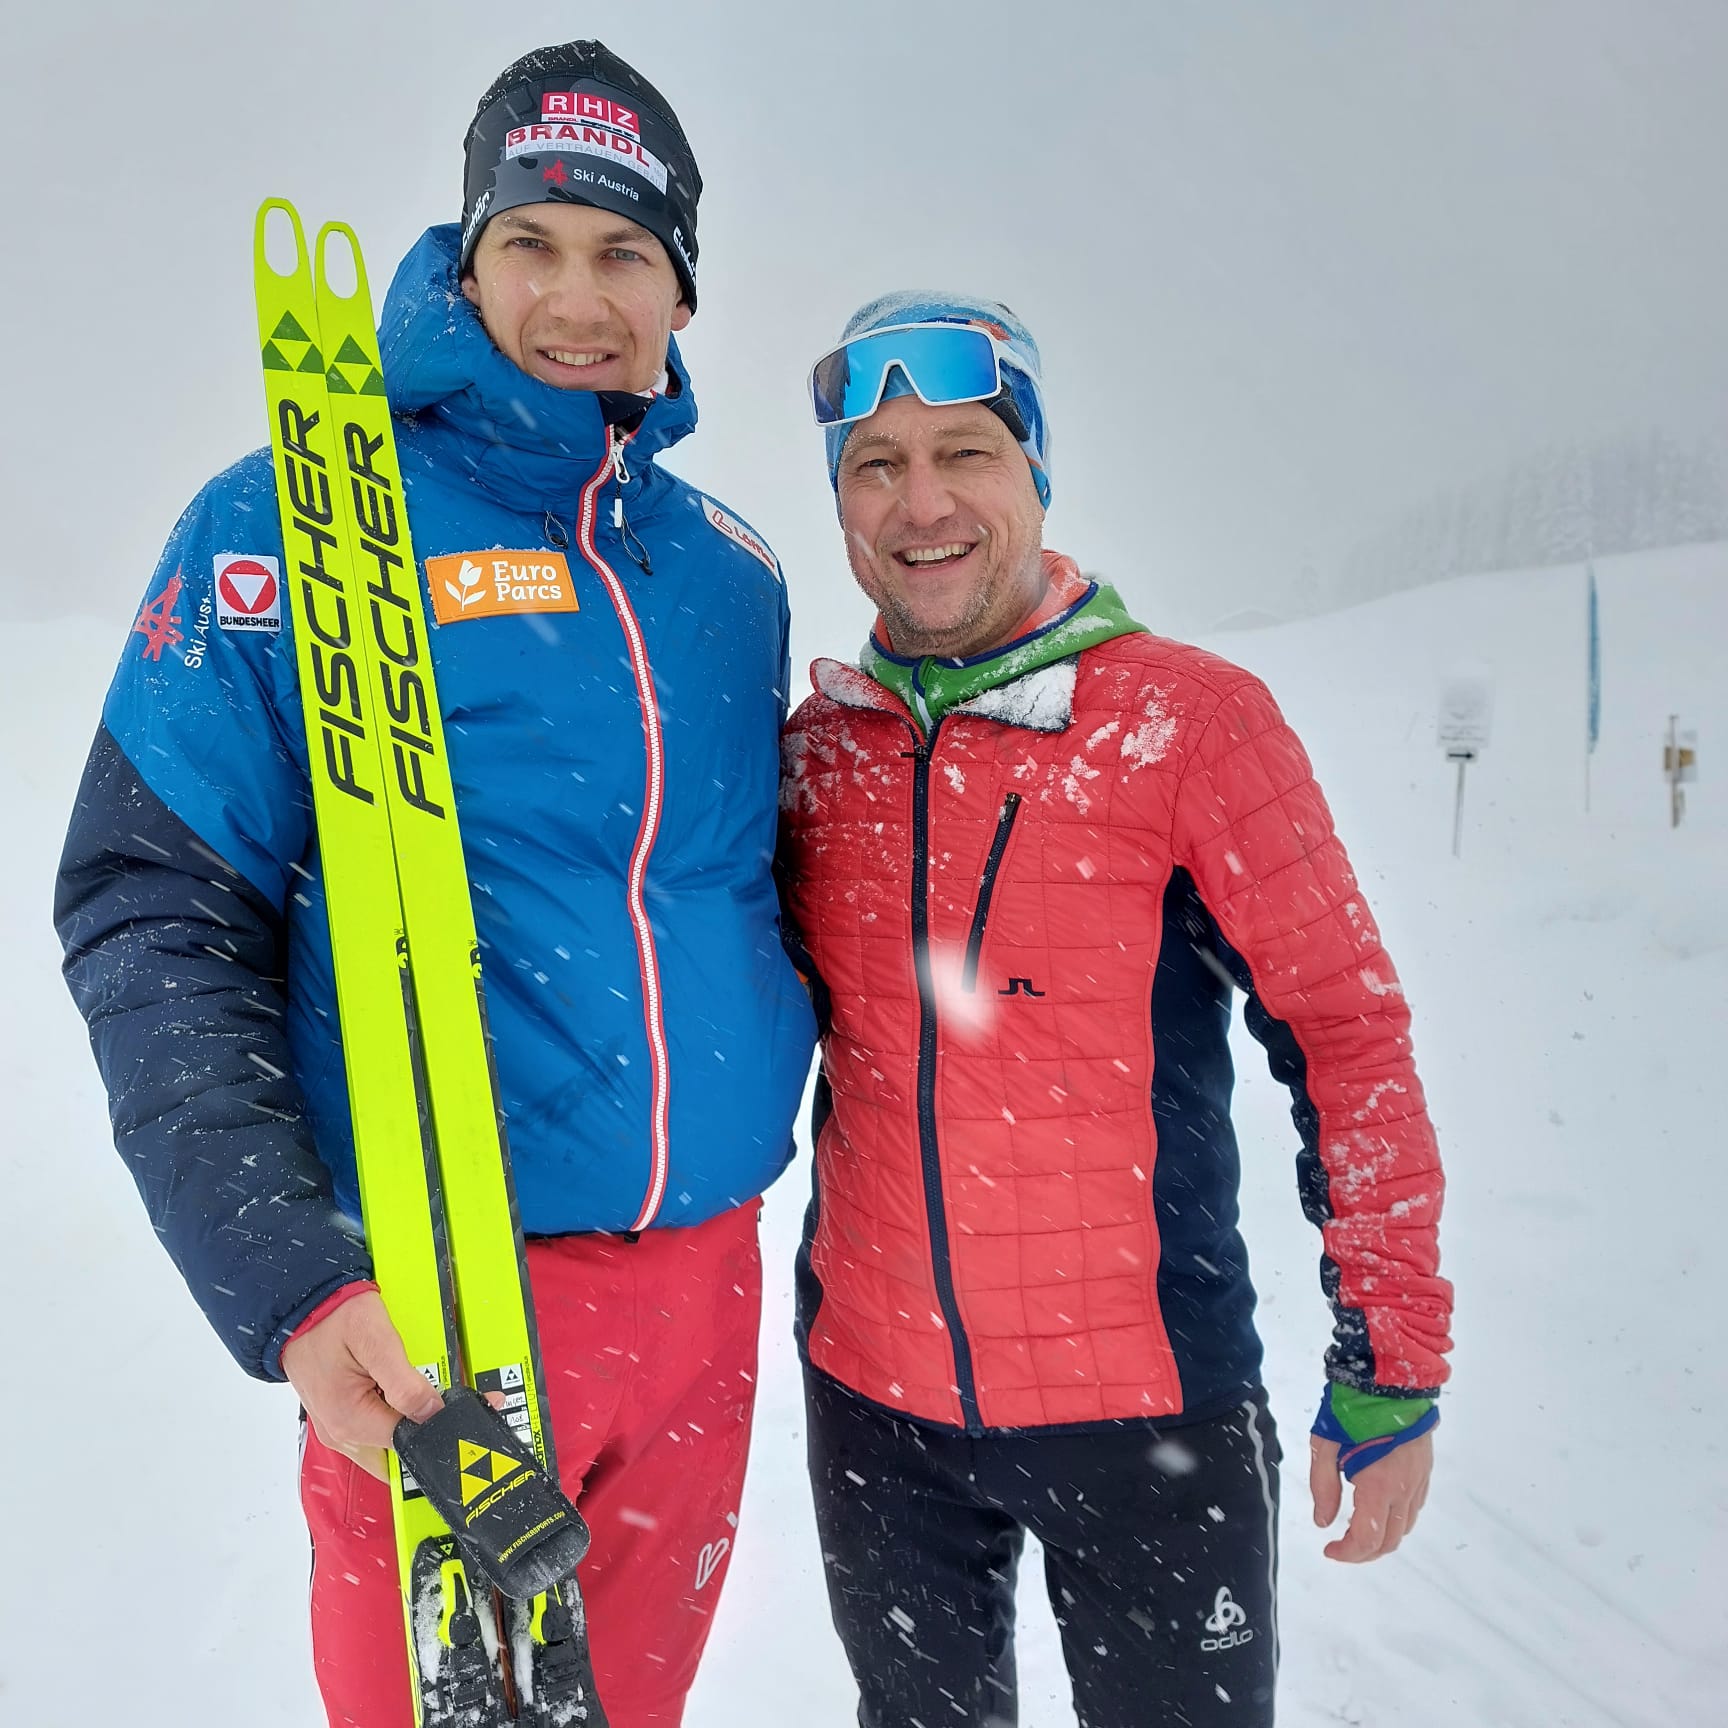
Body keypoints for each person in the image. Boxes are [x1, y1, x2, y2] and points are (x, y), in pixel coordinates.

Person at [54, 40, 814, 1728]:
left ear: (683, 292)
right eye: (530, 242)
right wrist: (292, 1278)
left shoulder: (727, 575)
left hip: (704, 1291)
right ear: (468, 260)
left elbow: (743, 893)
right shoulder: (293, 523)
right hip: (445, 1296)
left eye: (624, 253)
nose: (576, 298)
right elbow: (148, 913)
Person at [777, 293, 1453, 1728]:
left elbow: (1344, 1037)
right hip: (879, 1415)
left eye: (965, 452)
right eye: (876, 464)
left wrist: (1388, 1358)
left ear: (1036, 472)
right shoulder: (820, 755)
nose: (922, 503)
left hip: (1148, 1418)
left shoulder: (1189, 724)